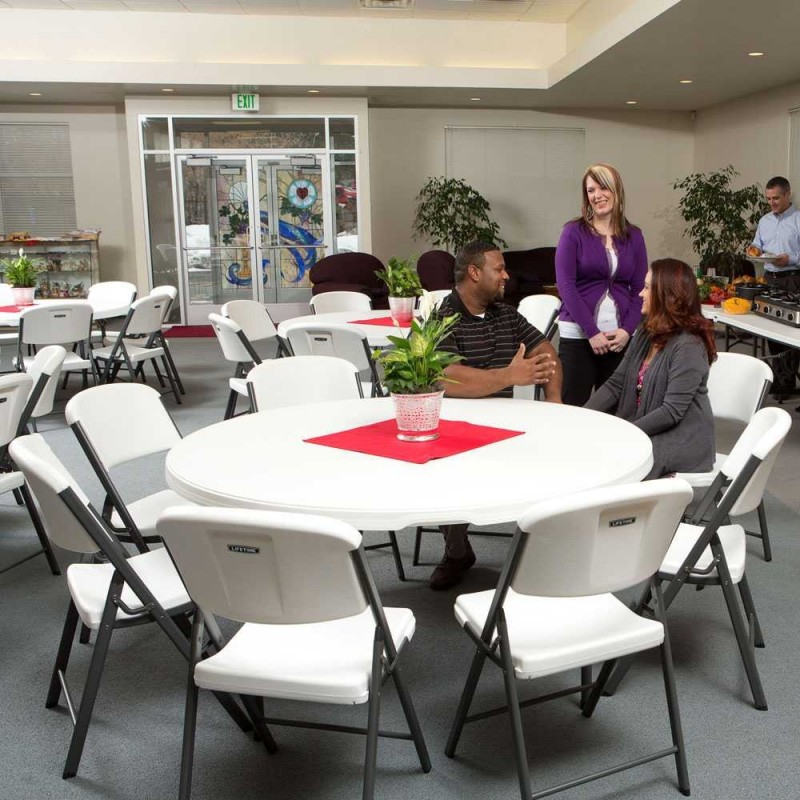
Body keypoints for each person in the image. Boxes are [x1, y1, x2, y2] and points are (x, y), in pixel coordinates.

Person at [426, 241, 562, 590]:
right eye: (498, 269)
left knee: (560, 456)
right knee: (446, 472)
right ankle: (457, 552)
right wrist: (507, 376)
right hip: (457, 428)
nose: (506, 275)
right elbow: (446, 376)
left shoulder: (506, 314)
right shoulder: (444, 317)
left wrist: (554, 400)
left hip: (510, 421)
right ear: (474, 273)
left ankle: (544, 550)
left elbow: (546, 352)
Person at [585, 258, 716, 479]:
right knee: (591, 444)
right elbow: (616, 385)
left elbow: (671, 412)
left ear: (667, 295)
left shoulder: (689, 345)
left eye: (647, 288)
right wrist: (582, 415)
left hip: (683, 439)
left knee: (614, 460)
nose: (640, 294)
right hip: (648, 429)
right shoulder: (647, 333)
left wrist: (626, 432)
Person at [555, 163, 648, 406]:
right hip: (578, 336)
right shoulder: (573, 232)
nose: (597, 196)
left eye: (603, 187)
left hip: (620, 338)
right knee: (573, 409)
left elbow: (641, 290)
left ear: (617, 190)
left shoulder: (635, 236)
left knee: (616, 410)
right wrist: (591, 332)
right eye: (590, 190)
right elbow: (565, 286)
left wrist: (627, 330)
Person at [749, 176, 800, 398]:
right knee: (772, 330)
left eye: (776, 198)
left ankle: (790, 381)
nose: (772, 203)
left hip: (793, 278)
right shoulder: (764, 221)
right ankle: (780, 381)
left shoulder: (798, 219)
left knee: (791, 331)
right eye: (769, 199)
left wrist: (788, 259)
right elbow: (756, 245)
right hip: (770, 278)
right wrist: (754, 250)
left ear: (788, 195)